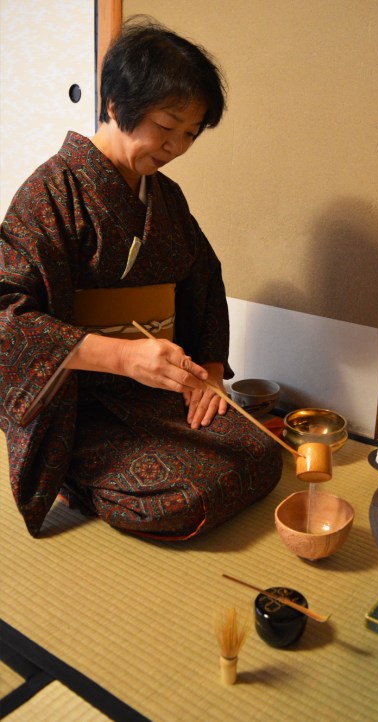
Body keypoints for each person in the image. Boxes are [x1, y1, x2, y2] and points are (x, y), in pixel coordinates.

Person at [0, 18, 282, 538]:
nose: (176, 146)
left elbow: (204, 277)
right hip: (78, 402)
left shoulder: (165, 197)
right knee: (179, 500)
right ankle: (72, 475)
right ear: (115, 104)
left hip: (151, 388)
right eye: (167, 125)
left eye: (190, 134)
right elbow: (5, 316)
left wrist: (212, 374)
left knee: (260, 453)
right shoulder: (48, 195)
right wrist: (125, 356)